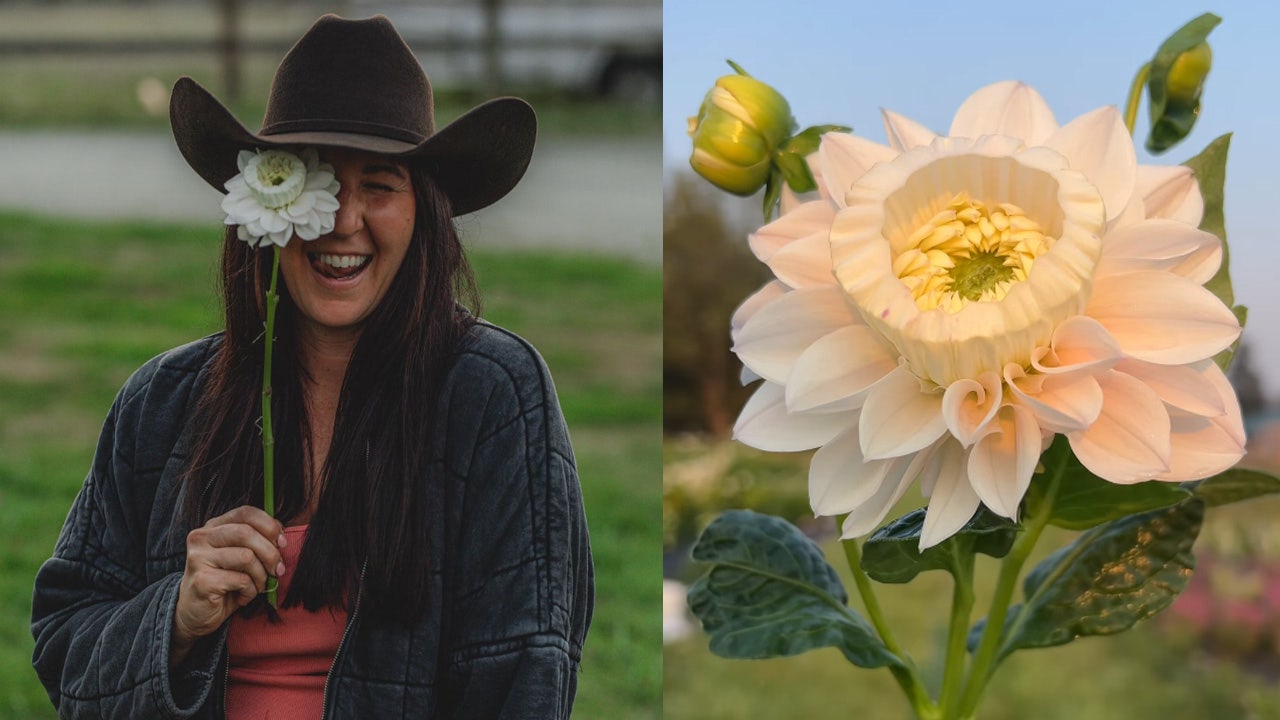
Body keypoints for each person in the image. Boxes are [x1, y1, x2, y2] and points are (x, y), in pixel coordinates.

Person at [30, 14, 593, 719]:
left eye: (380, 185)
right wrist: (174, 618)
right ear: (265, 201)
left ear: (424, 212)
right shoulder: (160, 401)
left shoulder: (493, 393)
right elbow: (62, 643)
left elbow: (526, 676)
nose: (342, 220)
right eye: (317, 183)